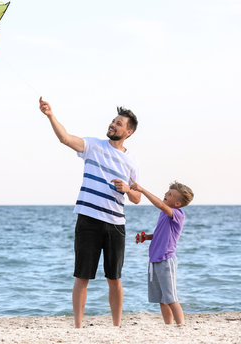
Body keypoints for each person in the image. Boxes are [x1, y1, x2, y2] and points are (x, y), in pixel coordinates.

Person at [39, 97, 141, 327]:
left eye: (118, 123)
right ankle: (77, 327)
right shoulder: (94, 146)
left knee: (114, 278)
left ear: (129, 132)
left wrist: (127, 189)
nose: (112, 125)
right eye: (113, 121)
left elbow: (136, 198)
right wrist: (50, 115)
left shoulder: (131, 162)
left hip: (115, 224)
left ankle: (116, 326)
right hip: (88, 220)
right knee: (82, 276)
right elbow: (65, 138)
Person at [130, 179, 194, 326]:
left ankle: (181, 326)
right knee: (162, 299)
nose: (166, 194)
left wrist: (142, 190)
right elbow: (161, 233)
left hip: (166, 260)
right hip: (155, 259)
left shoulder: (178, 214)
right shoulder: (164, 215)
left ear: (178, 203)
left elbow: (159, 204)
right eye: (167, 192)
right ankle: (168, 325)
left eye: (170, 194)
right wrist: (147, 237)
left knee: (171, 298)